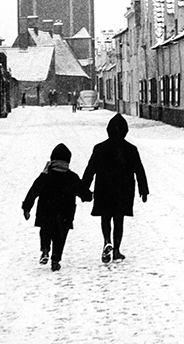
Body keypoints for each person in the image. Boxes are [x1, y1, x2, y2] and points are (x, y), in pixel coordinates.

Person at [82, 113, 148, 263]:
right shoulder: (131, 149)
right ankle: (117, 250)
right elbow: (139, 170)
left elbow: (90, 170)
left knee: (105, 217)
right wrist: (143, 190)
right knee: (119, 220)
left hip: (104, 189)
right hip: (123, 191)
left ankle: (107, 240)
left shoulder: (99, 149)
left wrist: (83, 189)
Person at [22, 143, 93, 272]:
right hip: (65, 214)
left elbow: (33, 191)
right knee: (60, 236)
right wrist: (90, 195)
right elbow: (84, 194)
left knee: (45, 231)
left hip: (45, 211)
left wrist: (27, 207)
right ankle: (55, 260)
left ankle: (44, 250)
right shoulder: (72, 177)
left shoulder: (45, 176)